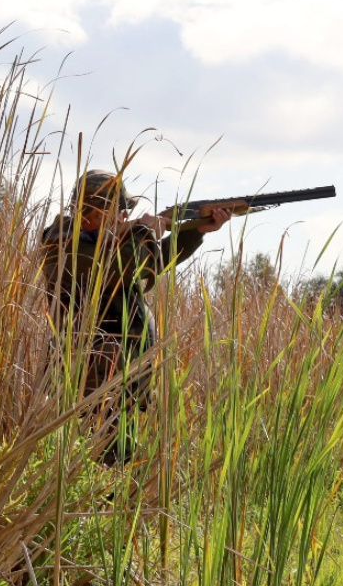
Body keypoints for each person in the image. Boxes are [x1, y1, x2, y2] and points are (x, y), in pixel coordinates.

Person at [38, 169, 231, 464]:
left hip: (116, 377)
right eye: (120, 209)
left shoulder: (104, 244)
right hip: (91, 380)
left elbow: (149, 265)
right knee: (101, 463)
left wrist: (195, 232)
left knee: (114, 461)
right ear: (95, 210)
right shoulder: (64, 246)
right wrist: (144, 232)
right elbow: (122, 269)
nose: (124, 216)